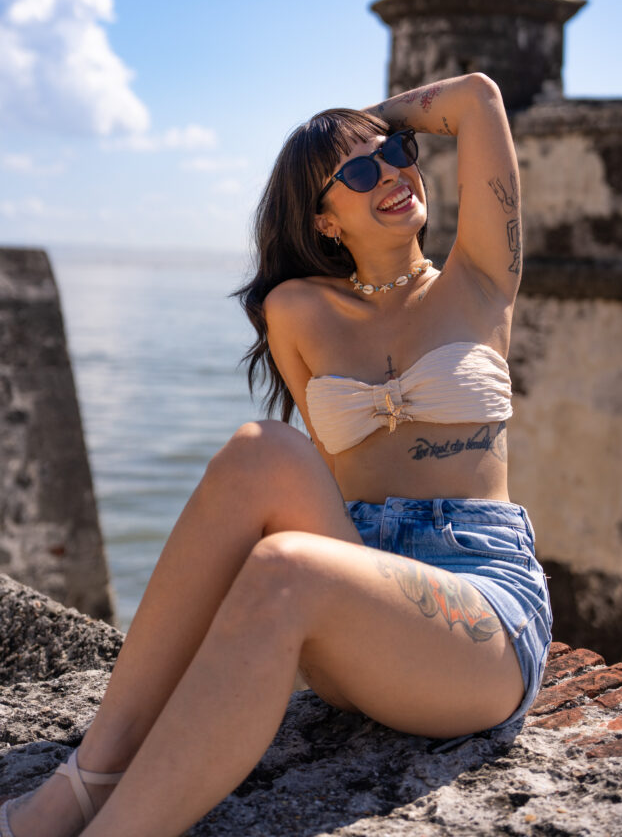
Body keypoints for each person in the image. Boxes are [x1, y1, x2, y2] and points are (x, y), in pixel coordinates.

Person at [0, 73, 552, 837]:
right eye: (360, 172)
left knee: (287, 566)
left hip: (478, 616)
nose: (392, 173)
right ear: (324, 220)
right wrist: (330, 148)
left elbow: (478, 99)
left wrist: (359, 124)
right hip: (357, 595)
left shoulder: (479, 280)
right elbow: (318, 474)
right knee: (258, 450)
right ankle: (90, 775)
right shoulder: (297, 311)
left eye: (398, 153)